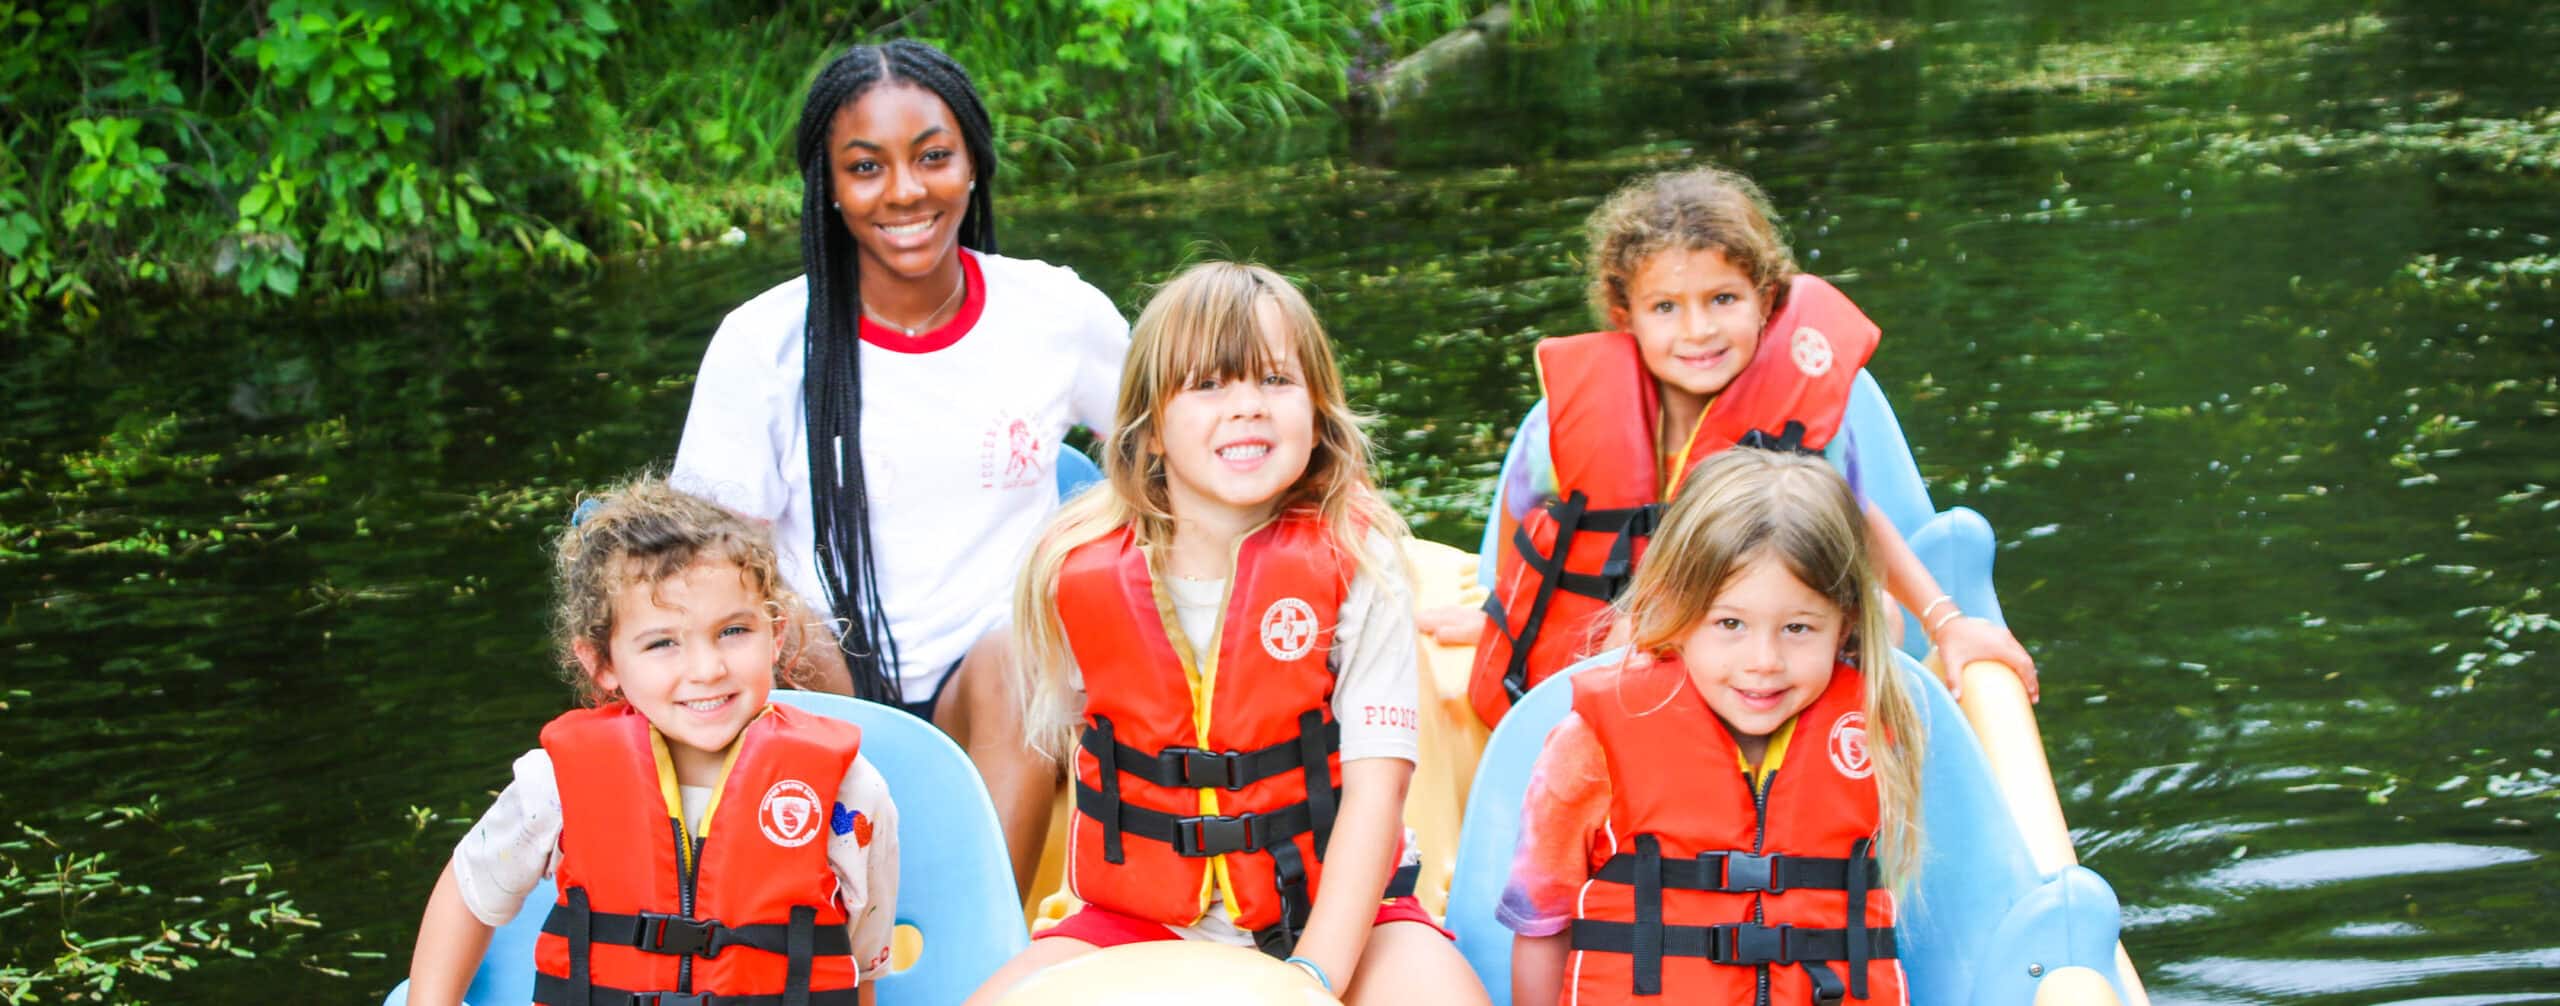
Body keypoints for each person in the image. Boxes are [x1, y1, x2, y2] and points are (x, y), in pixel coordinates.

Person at [671, 39, 1128, 892]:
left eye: (933, 157)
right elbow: (705, 560)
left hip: (992, 680)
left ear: (973, 165)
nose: (906, 191)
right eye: (866, 167)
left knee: (1027, 655)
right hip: (823, 670)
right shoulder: (762, 342)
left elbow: (1172, 451)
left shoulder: (1054, 312)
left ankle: (973, 944)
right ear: (829, 188)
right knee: (764, 618)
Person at [966, 263, 1487, 1005]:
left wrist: (1311, 980)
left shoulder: (1360, 562)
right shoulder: (1069, 571)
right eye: (1209, 385)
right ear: (1147, 431)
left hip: (1349, 914)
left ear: (1317, 413)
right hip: (1133, 919)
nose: (1246, 408)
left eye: (1275, 381)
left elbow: (1376, 794)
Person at [1433, 163, 2036, 726]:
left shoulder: (1795, 422)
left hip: (1764, 655)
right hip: (1632, 658)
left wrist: (1948, 622)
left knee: (1879, 614)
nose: (1698, 331)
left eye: (1722, 299)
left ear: (1766, 300)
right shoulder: (1558, 429)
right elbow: (1529, 523)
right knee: (1625, 642)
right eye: (1666, 308)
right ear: (1626, 314)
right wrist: (1500, 616)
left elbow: (1856, 520)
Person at [405, 477, 898, 1006]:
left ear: (775, 632)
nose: (707, 669)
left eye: (733, 631)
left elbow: (855, 963)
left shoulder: (847, 791)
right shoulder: (554, 785)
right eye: (663, 643)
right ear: (603, 664)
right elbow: (470, 890)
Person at [1503, 449, 1925, 1006]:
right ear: (1676, 611)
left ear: (1843, 624)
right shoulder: (1589, 746)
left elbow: (1885, 617)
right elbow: (1540, 919)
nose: (1763, 661)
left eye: (1798, 627)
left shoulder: (1871, 722)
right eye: (1730, 623)